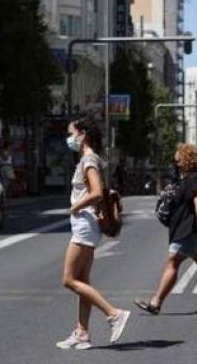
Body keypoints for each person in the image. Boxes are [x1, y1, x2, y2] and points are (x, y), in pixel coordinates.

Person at [57, 117, 130, 350]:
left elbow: (97, 192)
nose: (69, 138)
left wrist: (75, 207)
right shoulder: (91, 159)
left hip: (84, 225)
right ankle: (82, 333)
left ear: (83, 135)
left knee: (68, 279)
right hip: (88, 225)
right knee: (83, 280)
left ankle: (113, 314)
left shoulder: (88, 159)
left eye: (72, 134)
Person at [134, 143, 197, 315]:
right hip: (192, 230)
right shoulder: (186, 179)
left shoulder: (194, 179)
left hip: (190, 230)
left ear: (186, 159)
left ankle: (156, 302)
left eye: (178, 158)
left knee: (173, 261)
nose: (176, 161)